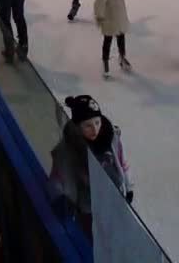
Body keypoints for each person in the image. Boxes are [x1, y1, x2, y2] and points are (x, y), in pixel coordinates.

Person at [49, 95, 134, 237]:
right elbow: (59, 175)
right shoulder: (70, 148)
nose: (95, 129)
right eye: (88, 125)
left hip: (113, 197)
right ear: (77, 126)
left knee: (114, 233)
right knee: (92, 235)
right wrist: (61, 197)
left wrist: (129, 187)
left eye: (97, 122)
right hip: (88, 205)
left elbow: (122, 163)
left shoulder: (111, 139)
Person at [94, 0, 139, 78]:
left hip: (120, 18)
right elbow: (99, 4)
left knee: (121, 38)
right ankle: (105, 61)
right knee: (107, 41)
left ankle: (122, 57)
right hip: (109, 20)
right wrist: (99, 16)